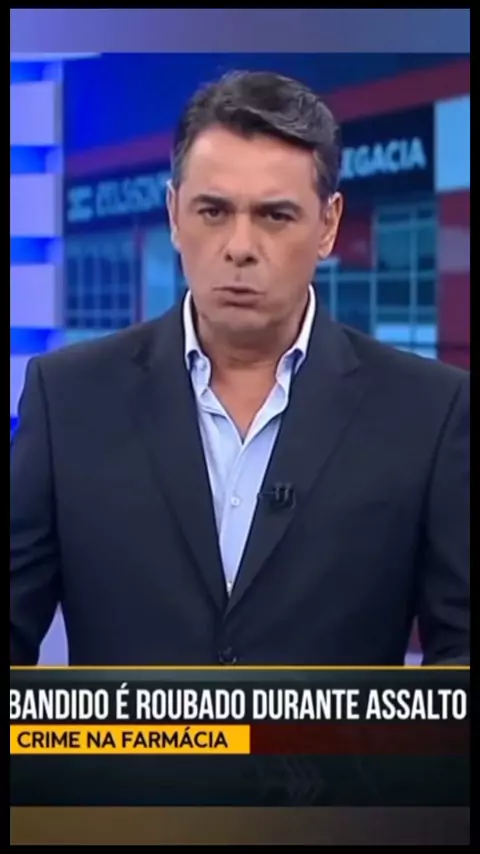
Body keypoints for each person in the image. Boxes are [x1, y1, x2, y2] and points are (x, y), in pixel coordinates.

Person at [10, 70, 469, 667]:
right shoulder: (68, 398)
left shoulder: (430, 412)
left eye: (275, 216)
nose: (240, 246)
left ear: (328, 224)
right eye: (213, 211)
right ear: (174, 214)